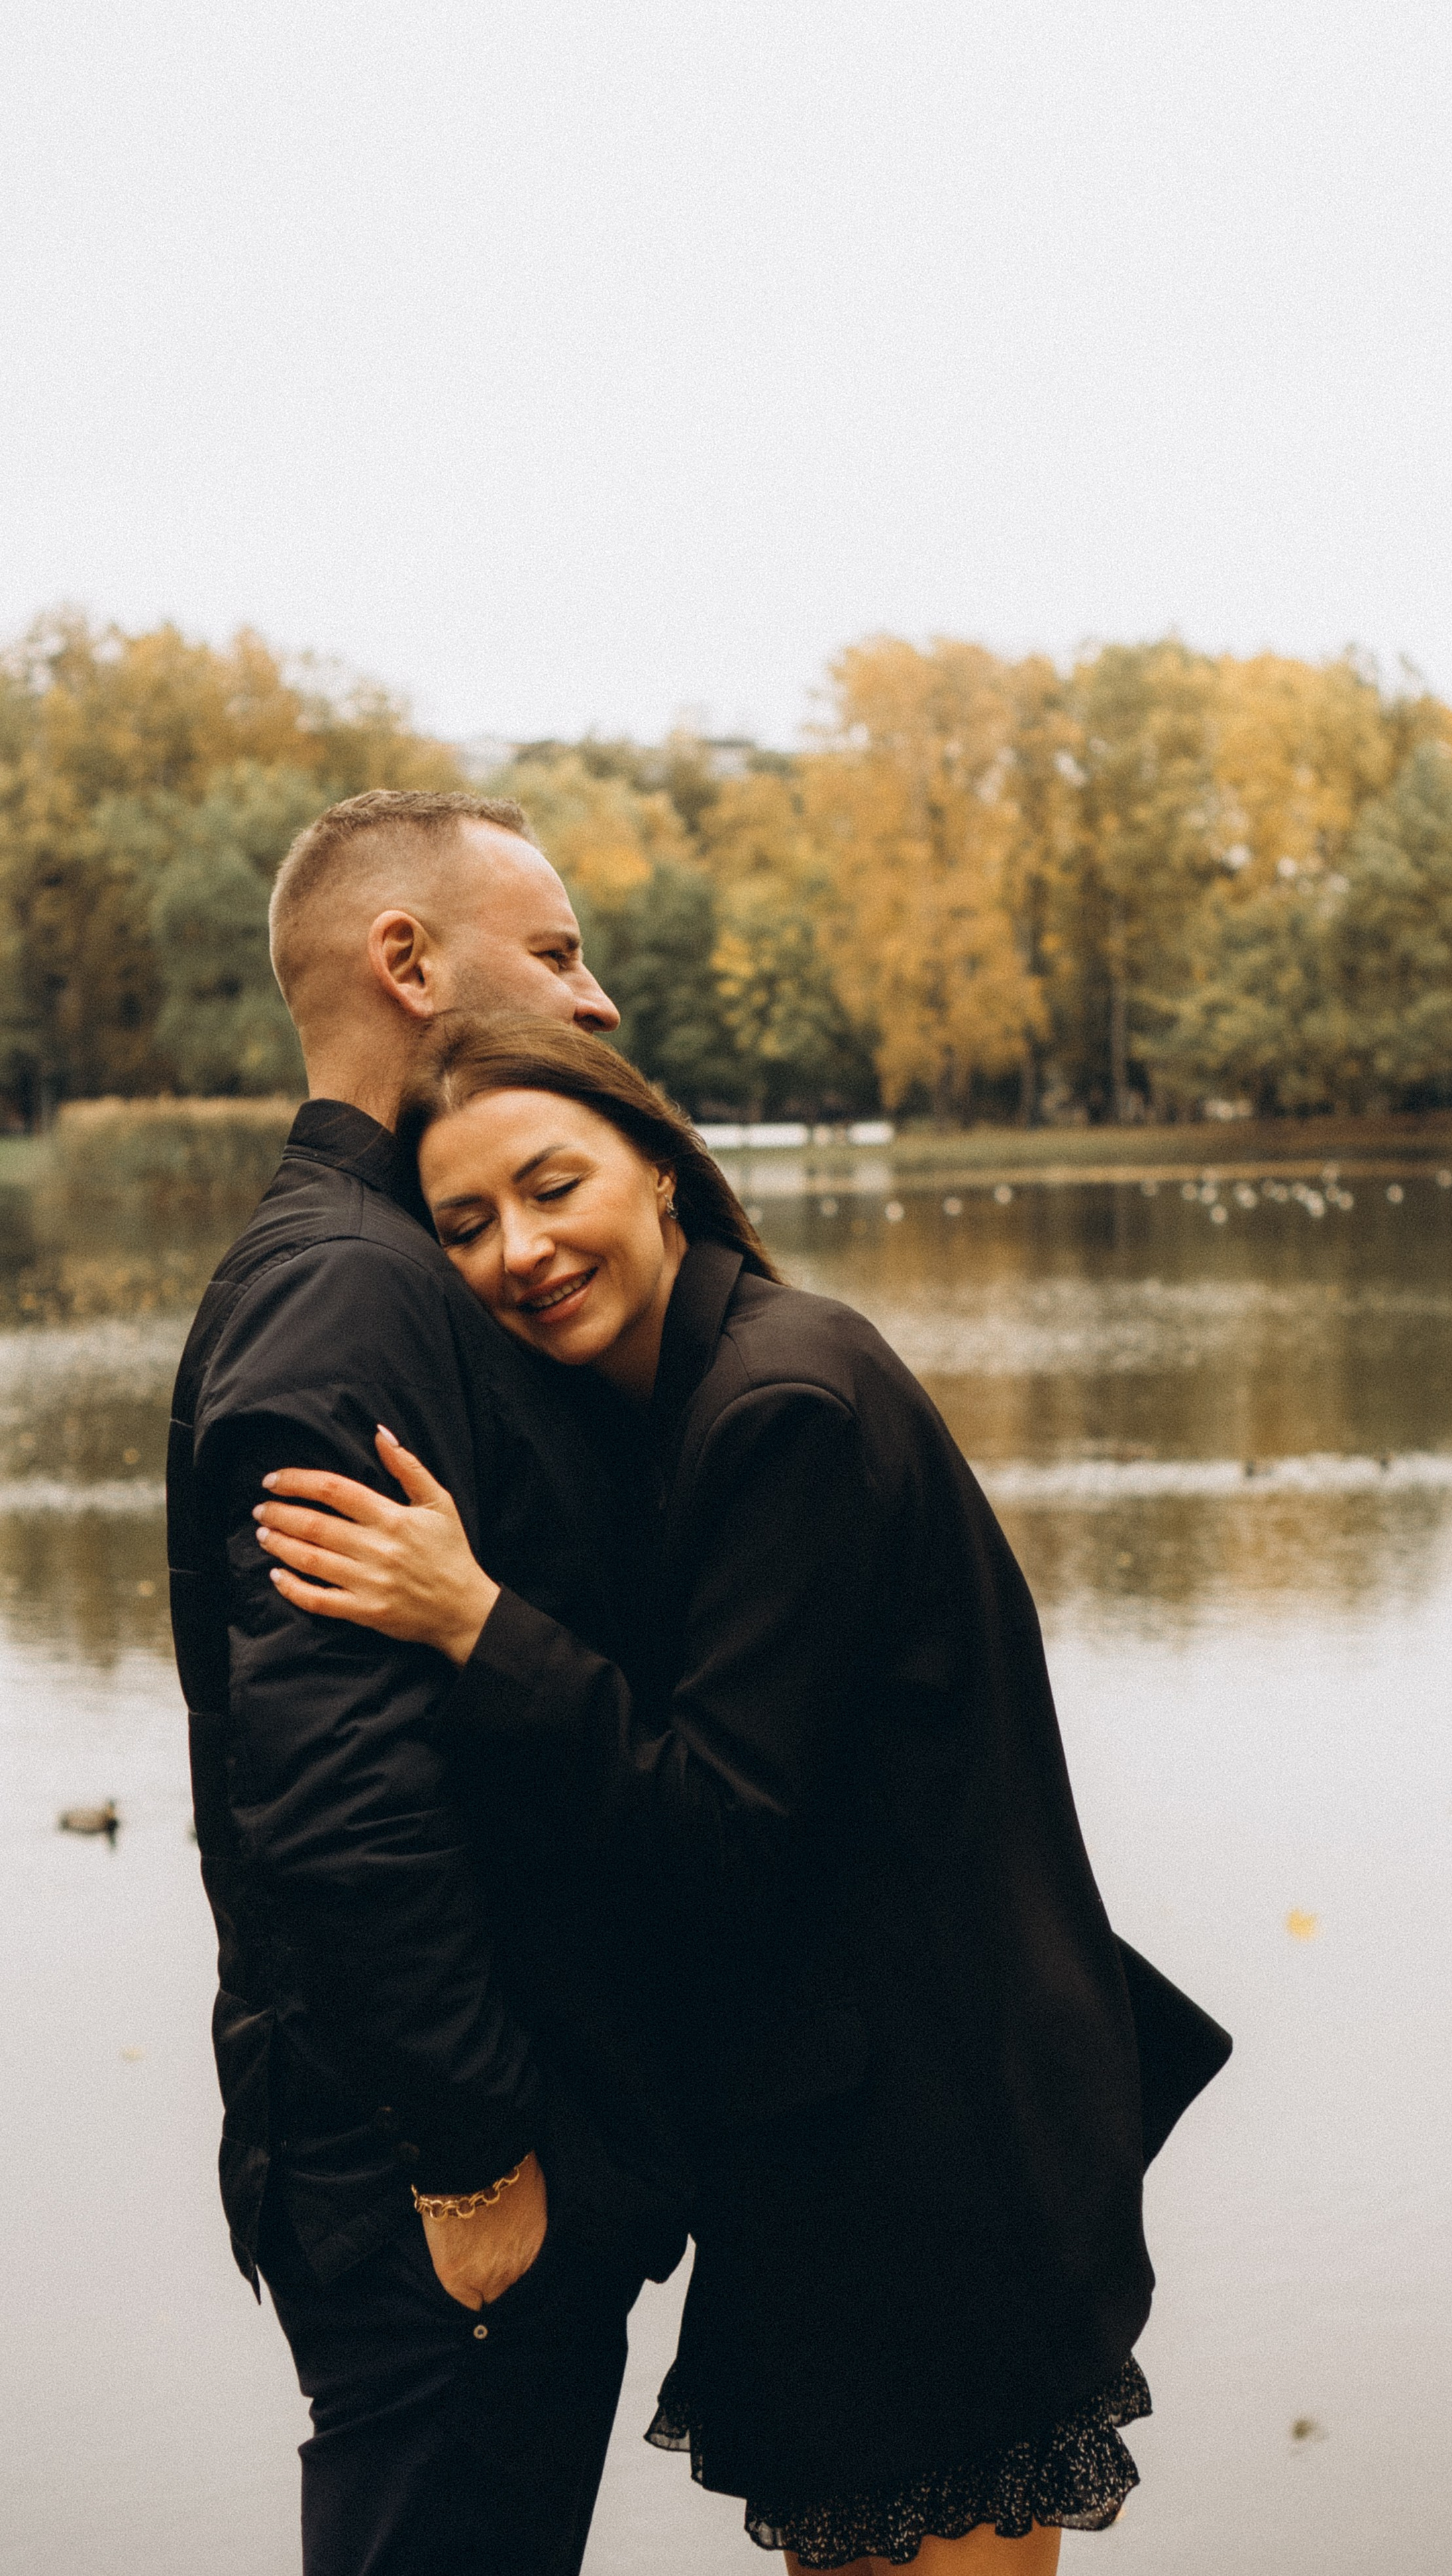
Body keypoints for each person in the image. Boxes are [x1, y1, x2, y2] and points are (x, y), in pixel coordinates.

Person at [253, 1014, 1233, 2575]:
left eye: (551, 1185)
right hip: (836, 2159)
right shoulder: (680, 1400)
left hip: (928, 2171)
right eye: (465, 1225)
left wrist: (473, 1622)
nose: (518, 1248)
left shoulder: (783, 1408)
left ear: (657, 1169)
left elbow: (723, 1832)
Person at [167, 794, 687, 2576]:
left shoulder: (415, 1267)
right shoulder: (350, 1295)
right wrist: (477, 2168)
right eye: (552, 954)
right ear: (408, 961)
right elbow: (326, 1778)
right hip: (430, 2175)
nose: (594, 999)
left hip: (474, 2146)